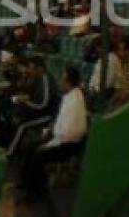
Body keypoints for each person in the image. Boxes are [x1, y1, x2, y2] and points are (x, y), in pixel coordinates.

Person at [18, 66, 88, 200]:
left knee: (38, 156)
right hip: (59, 139)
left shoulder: (74, 101)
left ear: (68, 82)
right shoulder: (70, 96)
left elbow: (67, 134)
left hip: (67, 145)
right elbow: (60, 123)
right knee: (30, 147)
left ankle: (35, 193)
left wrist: (48, 144)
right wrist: (49, 132)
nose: (59, 82)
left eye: (62, 79)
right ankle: (26, 184)